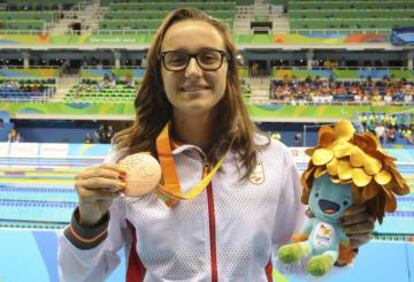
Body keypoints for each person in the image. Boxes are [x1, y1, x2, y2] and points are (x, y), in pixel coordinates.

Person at [58, 8, 374, 281]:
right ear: (160, 72)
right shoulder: (128, 162)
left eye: (208, 57)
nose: (193, 71)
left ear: (229, 70)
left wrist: (342, 246)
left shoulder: (273, 159)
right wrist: (88, 221)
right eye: (177, 59)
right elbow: (79, 276)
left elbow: (294, 262)